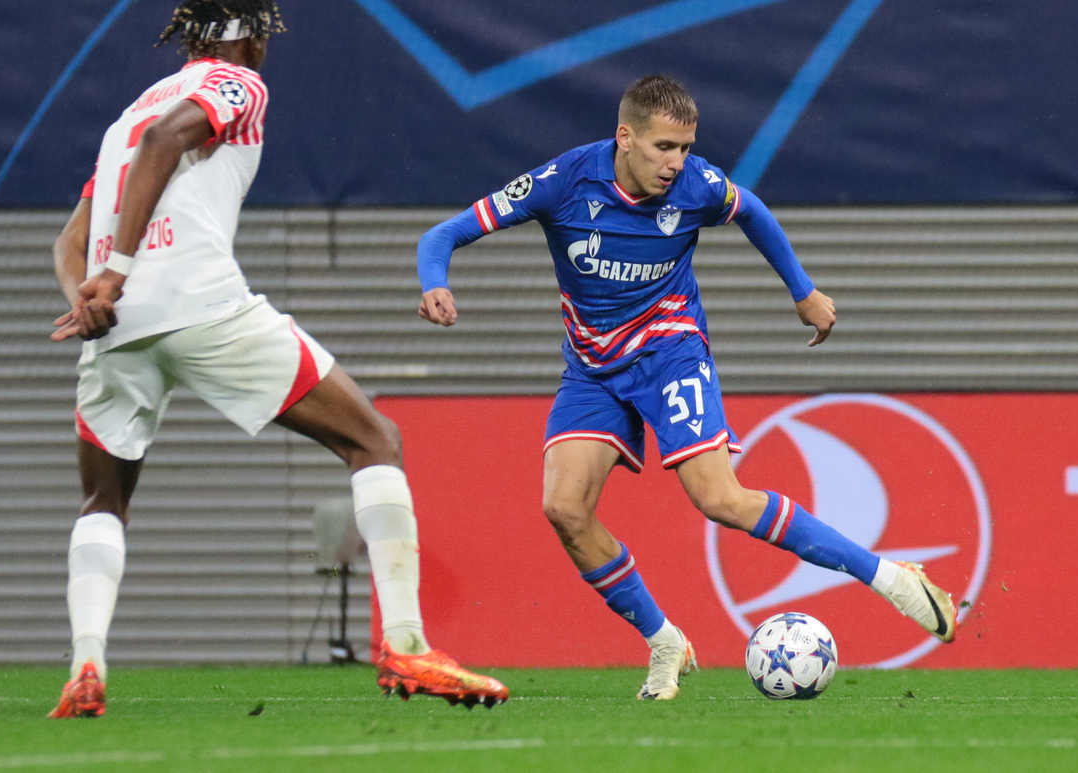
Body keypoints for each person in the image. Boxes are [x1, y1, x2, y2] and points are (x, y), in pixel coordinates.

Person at [417, 75, 958, 700]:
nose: (677, 163)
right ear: (625, 137)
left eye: (685, 148)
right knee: (564, 509)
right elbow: (443, 234)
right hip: (593, 369)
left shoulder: (698, 183)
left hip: (671, 354)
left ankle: (891, 579)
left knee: (720, 500)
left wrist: (802, 290)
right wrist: (436, 281)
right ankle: (664, 641)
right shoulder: (562, 182)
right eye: (664, 147)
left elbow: (751, 210)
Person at [46, 0, 507, 718]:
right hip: (197, 303)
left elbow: (71, 237)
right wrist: (126, 265)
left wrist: (90, 296)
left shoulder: (123, 118)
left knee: (104, 499)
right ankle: (408, 643)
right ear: (252, 38)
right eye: (265, 36)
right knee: (373, 439)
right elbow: (171, 138)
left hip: (114, 328)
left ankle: (85, 665)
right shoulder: (237, 82)